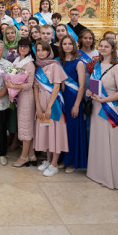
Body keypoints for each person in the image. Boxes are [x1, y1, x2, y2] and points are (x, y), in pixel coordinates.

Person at [85, 38, 118, 190]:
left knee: (112, 143)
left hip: (112, 109)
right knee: (100, 141)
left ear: (112, 49)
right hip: (98, 107)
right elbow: (94, 86)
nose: (103, 49)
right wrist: (89, 91)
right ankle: (99, 173)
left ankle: (112, 178)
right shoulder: (97, 66)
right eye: (101, 46)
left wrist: (105, 99)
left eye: (106, 46)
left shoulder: (117, 68)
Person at [33, 41, 69, 177]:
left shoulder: (54, 66)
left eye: (43, 50)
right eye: (38, 50)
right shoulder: (37, 67)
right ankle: (47, 160)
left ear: (49, 51)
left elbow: (56, 87)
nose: (41, 52)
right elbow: (35, 87)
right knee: (46, 131)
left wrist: (48, 107)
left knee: (56, 132)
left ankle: (54, 163)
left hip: (53, 103)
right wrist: (38, 106)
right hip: (41, 102)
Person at [58, 34, 88, 172]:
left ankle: (72, 162)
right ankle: (64, 159)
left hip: (74, 99)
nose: (67, 46)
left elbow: (82, 86)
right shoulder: (59, 62)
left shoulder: (79, 63)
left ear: (74, 46)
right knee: (62, 130)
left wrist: (77, 105)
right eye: (65, 44)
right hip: (61, 98)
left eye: (70, 44)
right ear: (61, 46)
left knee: (72, 130)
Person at [9, 39, 36, 168]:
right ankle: (31, 155)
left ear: (30, 48)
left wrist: (13, 85)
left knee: (26, 126)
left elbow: (29, 85)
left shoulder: (29, 63)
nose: (23, 48)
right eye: (21, 46)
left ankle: (23, 157)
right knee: (24, 124)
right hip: (19, 97)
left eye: (26, 47)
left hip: (27, 98)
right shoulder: (17, 60)